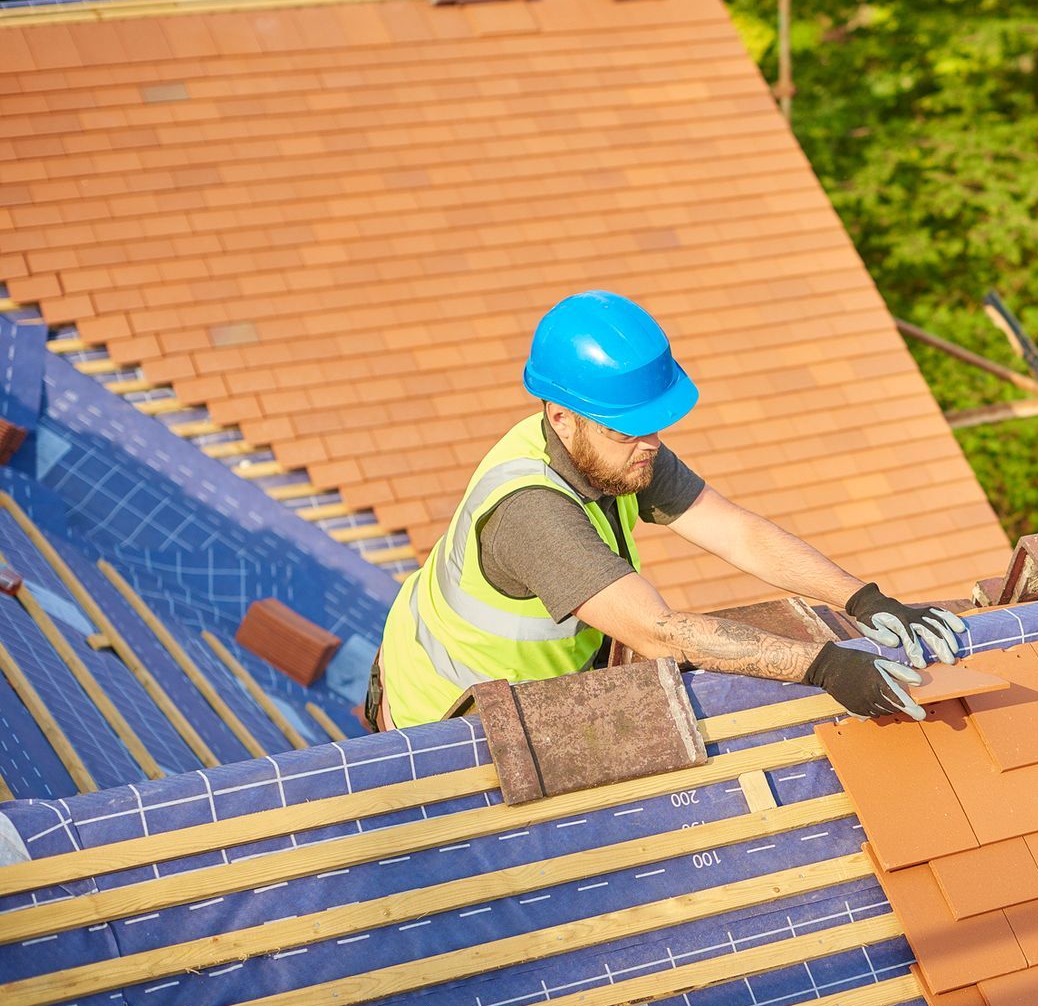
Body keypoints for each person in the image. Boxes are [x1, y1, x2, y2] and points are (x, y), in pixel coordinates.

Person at [369, 290, 966, 729]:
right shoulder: (530, 513)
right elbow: (658, 633)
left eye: (653, 425)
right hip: (447, 714)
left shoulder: (618, 450)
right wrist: (825, 666)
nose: (651, 443)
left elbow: (736, 533)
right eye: (629, 429)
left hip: (525, 679)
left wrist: (863, 599)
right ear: (561, 419)